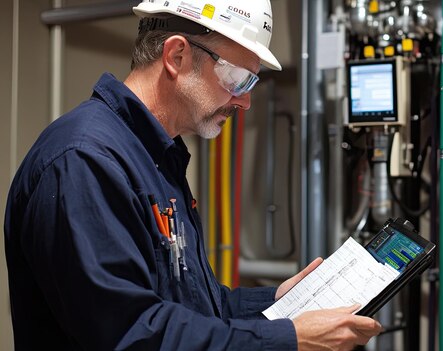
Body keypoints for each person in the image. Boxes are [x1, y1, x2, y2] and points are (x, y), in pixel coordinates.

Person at [3, 0, 383, 349]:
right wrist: (288, 339)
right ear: (177, 55)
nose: (245, 101)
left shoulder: (156, 157)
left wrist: (277, 301)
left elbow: (194, 307)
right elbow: (132, 333)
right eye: (238, 78)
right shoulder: (85, 160)